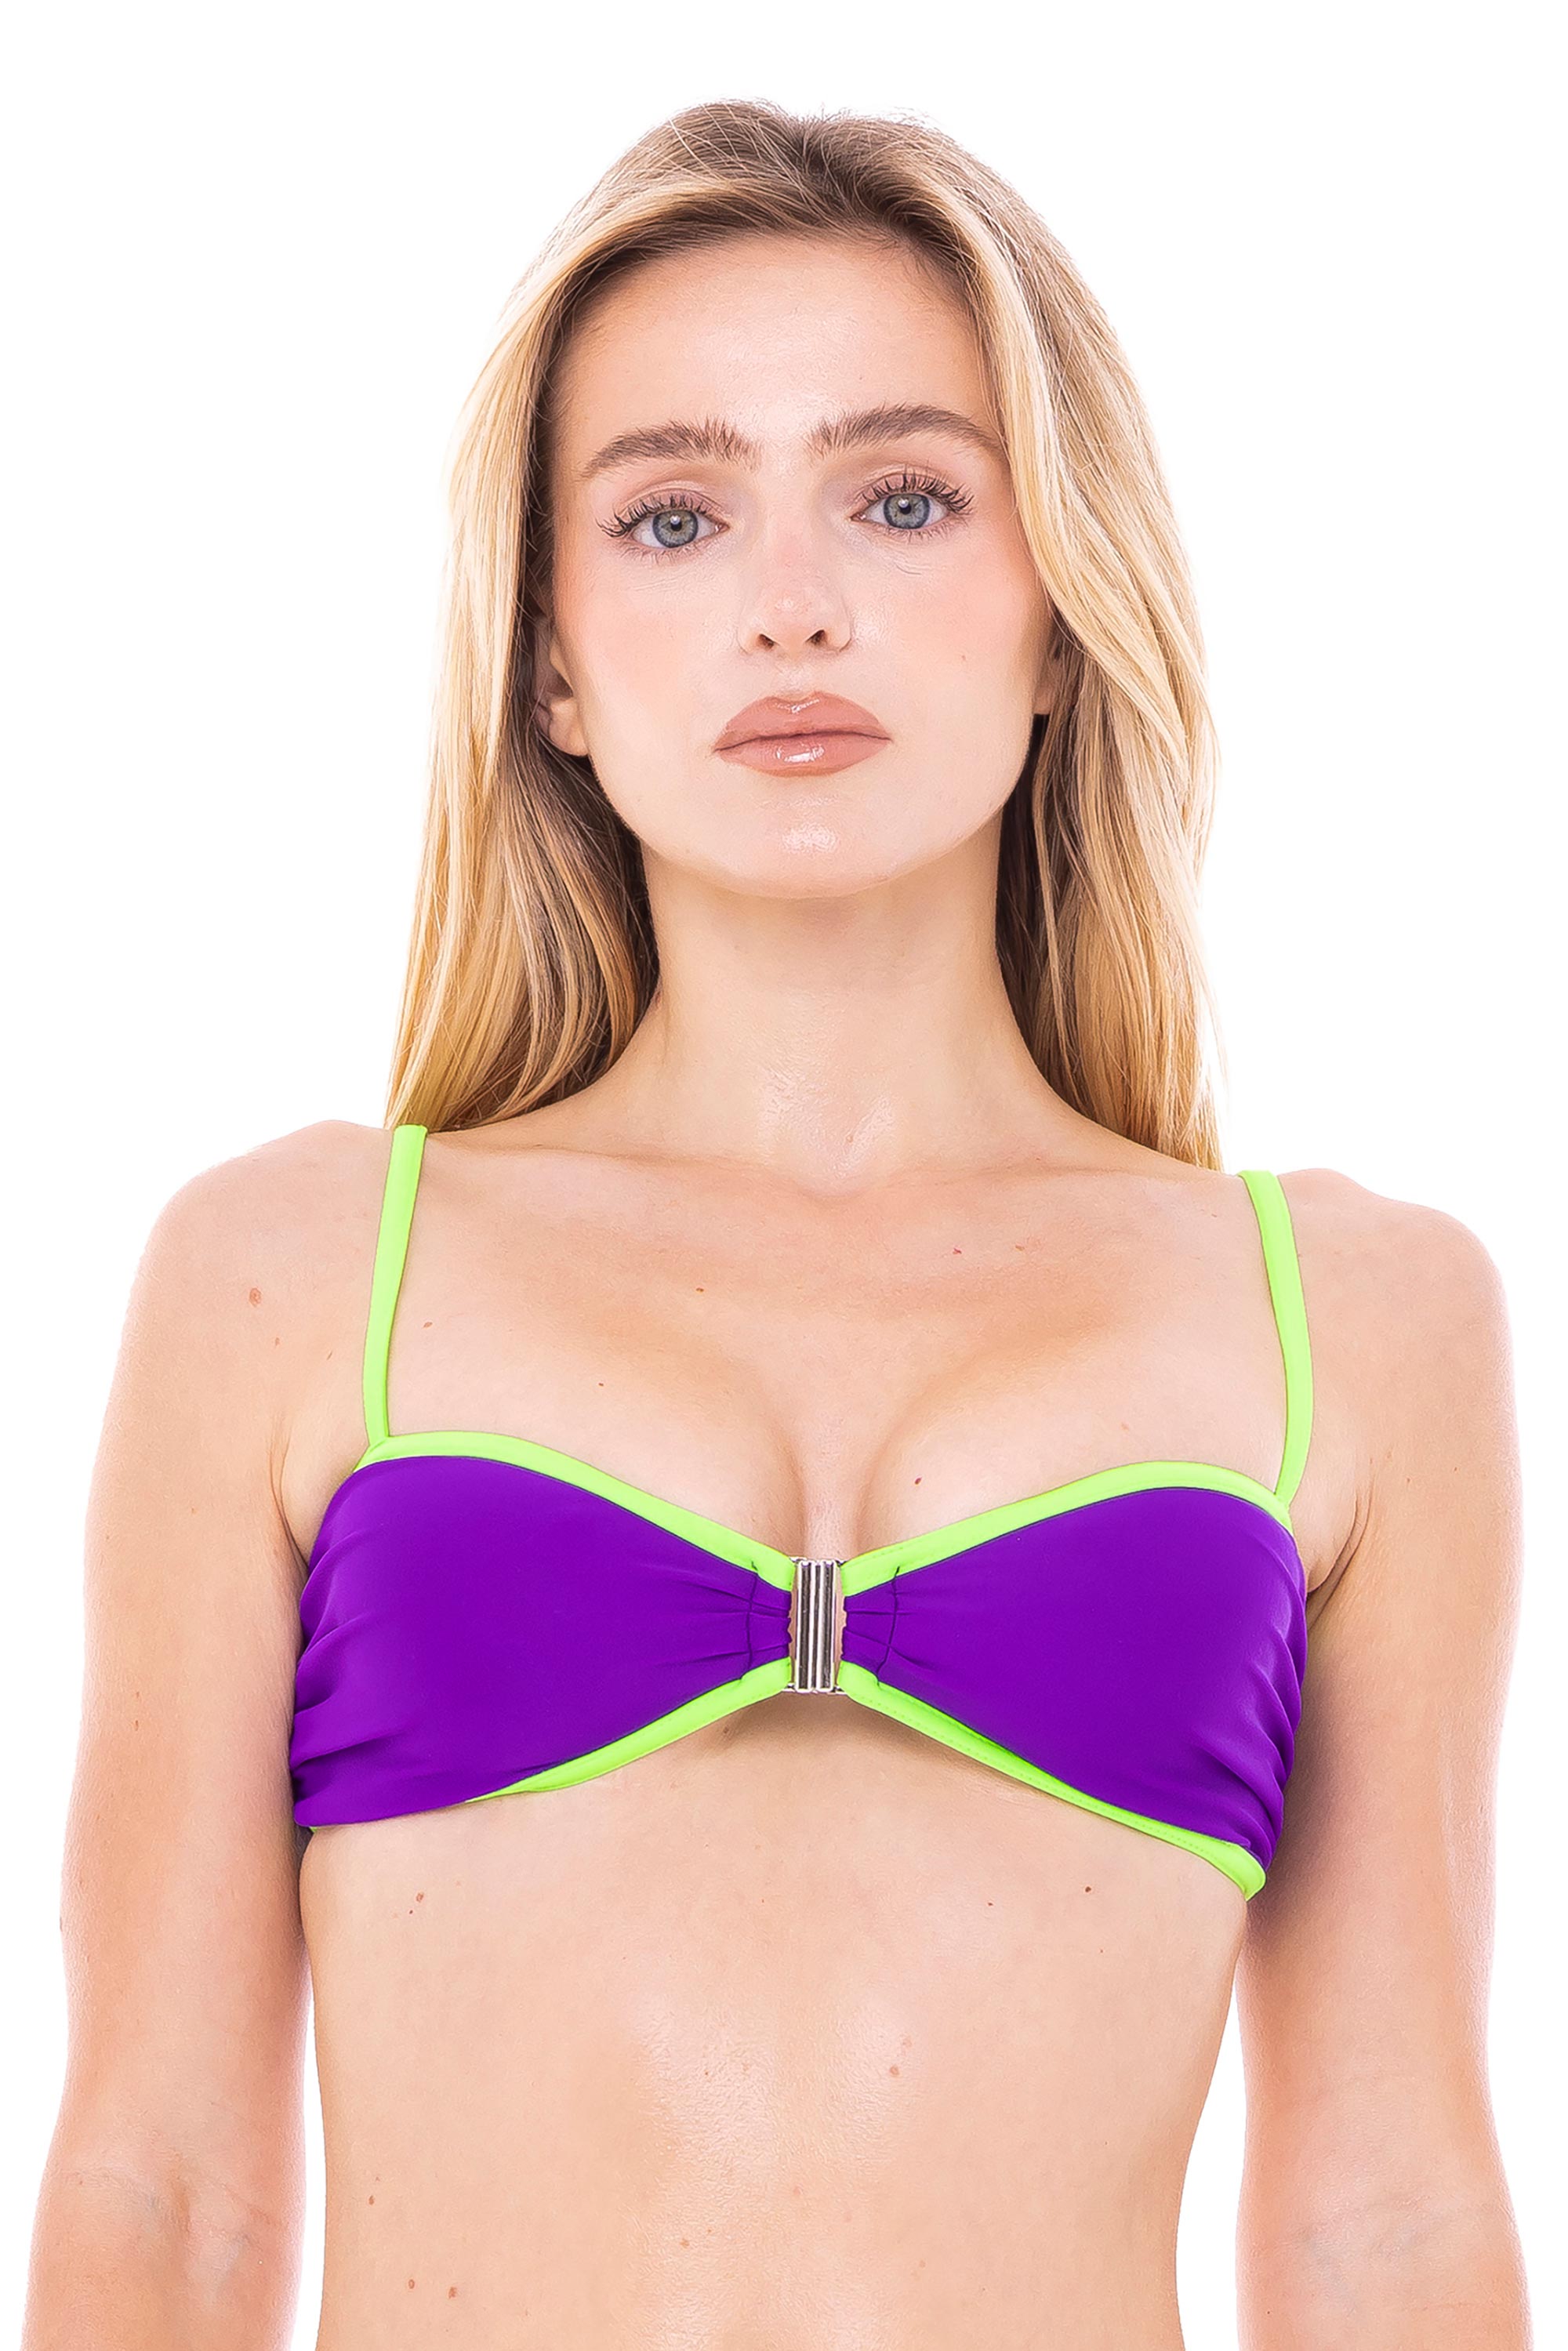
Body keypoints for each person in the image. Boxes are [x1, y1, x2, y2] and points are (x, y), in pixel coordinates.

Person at [23, 98, 1530, 2350]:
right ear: (548, 661)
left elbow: (1382, 2222)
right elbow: (164, 2192)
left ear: (1060, 616)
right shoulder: (294, 1276)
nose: (792, 603)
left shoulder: (1360, 1318)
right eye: (674, 513)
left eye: (904, 498)